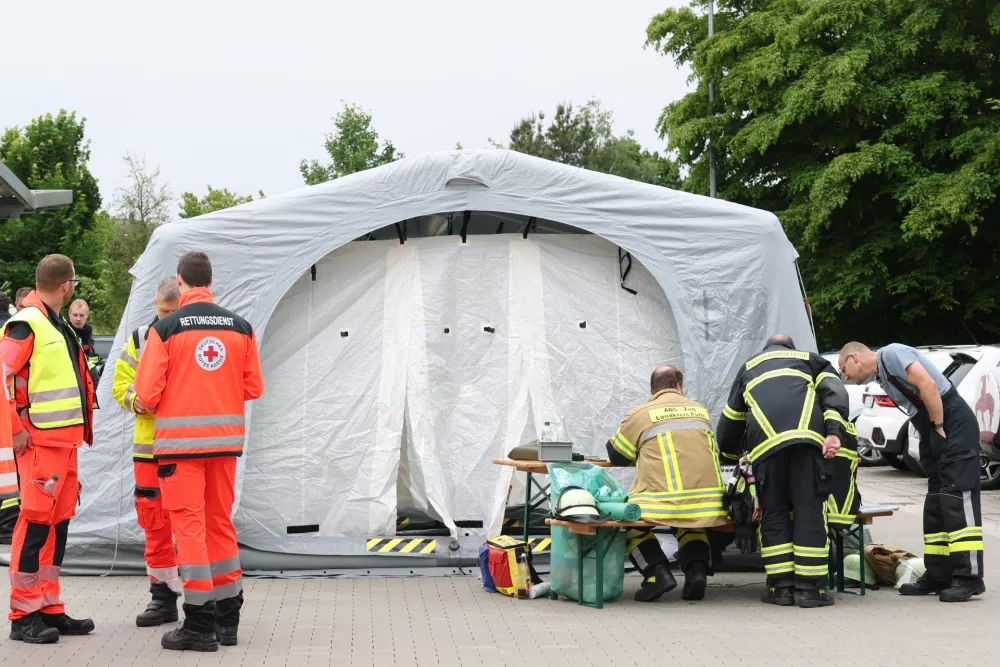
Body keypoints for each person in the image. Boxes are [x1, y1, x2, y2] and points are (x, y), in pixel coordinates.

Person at [135, 251, 264, 651]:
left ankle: (198, 625)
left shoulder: (166, 329)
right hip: (225, 446)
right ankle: (228, 621)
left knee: (189, 530)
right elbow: (253, 387)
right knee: (219, 525)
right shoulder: (240, 327)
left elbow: (146, 395)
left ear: (181, 281)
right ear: (211, 281)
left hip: (181, 450)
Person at [840, 342, 985, 602]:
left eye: (844, 369)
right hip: (935, 427)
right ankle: (939, 574)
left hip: (951, 424)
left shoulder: (892, 354)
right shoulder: (883, 375)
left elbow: (928, 386)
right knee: (937, 504)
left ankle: (969, 577)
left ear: (854, 357)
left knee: (957, 500)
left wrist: (939, 426)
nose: (846, 376)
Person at [1, 255, 96, 643]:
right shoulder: (26, 324)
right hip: (40, 442)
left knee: (58, 525)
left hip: (64, 442)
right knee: (36, 524)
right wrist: (16, 428)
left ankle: (49, 608)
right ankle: (22, 615)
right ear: (66, 285)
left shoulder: (57, 325)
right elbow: (2, 377)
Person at [717, 334, 848, 608]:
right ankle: (810, 590)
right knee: (809, 509)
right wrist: (834, 433)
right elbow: (835, 395)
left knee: (773, 511)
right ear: (791, 347)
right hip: (807, 444)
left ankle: (781, 588)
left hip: (765, 449)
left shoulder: (749, 367)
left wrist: (729, 455)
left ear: (767, 349)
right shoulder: (812, 361)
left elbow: (731, 420)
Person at [606, 366, 728, 602]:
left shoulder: (642, 413)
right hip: (708, 503)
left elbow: (618, 455)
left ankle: (656, 573)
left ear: (652, 389)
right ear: (679, 385)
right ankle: (697, 573)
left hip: (663, 501)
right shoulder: (700, 411)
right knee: (690, 525)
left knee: (630, 524)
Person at [112, 277, 181, 626]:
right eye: (162, 310)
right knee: (154, 525)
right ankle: (163, 597)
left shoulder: (191, 338)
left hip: (185, 448)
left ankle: (204, 601)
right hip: (149, 450)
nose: (166, 316)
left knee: (190, 525)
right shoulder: (140, 338)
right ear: (155, 303)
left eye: (173, 311)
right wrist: (135, 401)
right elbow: (119, 383)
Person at [68, 299, 100, 370]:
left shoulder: (87, 333)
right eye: (75, 315)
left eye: (81, 315)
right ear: (69, 314)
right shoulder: (65, 332)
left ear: (87, 315)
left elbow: (90, 357)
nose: (78, 319)